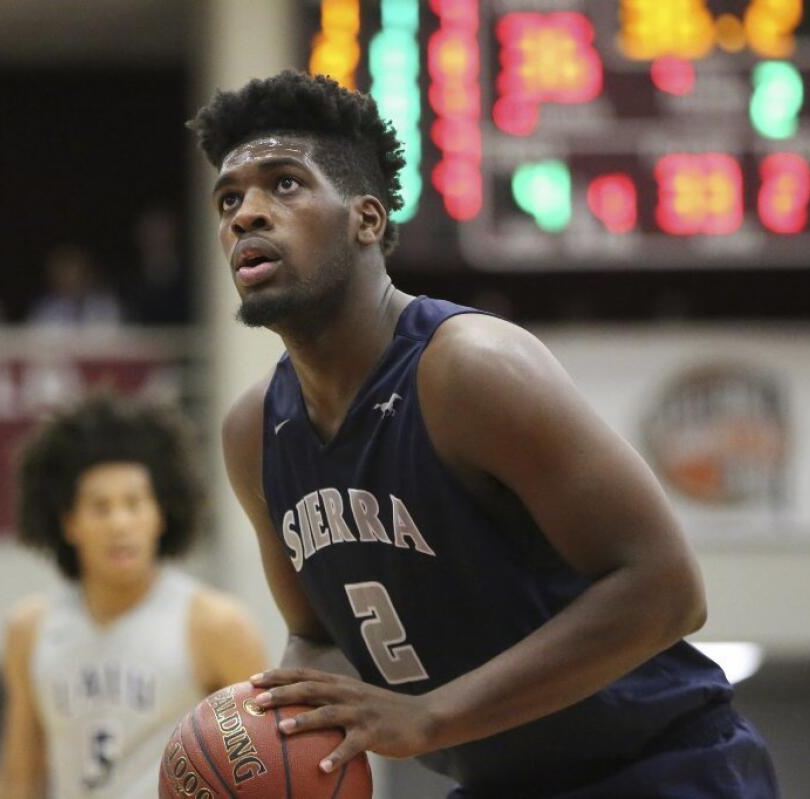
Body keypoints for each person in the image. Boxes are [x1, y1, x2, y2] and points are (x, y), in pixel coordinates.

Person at [192, 71, 778, 797]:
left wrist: (431, 716)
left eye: (284, 185)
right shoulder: (254, 432)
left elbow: (666, 589)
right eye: (230, 198)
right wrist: (280, 746)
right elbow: (318, 639)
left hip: (657, 765)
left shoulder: (469, 369)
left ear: (366, 219)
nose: (247, 213)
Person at [0, 395, 267, 798]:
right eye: (101, 507)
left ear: (160, 515)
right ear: (68, 524)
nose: (120, 523)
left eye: (134, 504)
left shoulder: (216, 625)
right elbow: (19, 778)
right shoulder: (29, 629)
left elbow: (268, 768)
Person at [28, 246, 121, 328]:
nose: (70, 278)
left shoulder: (105, 306)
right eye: (64, 273)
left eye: (74, 271)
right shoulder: (44, 310)